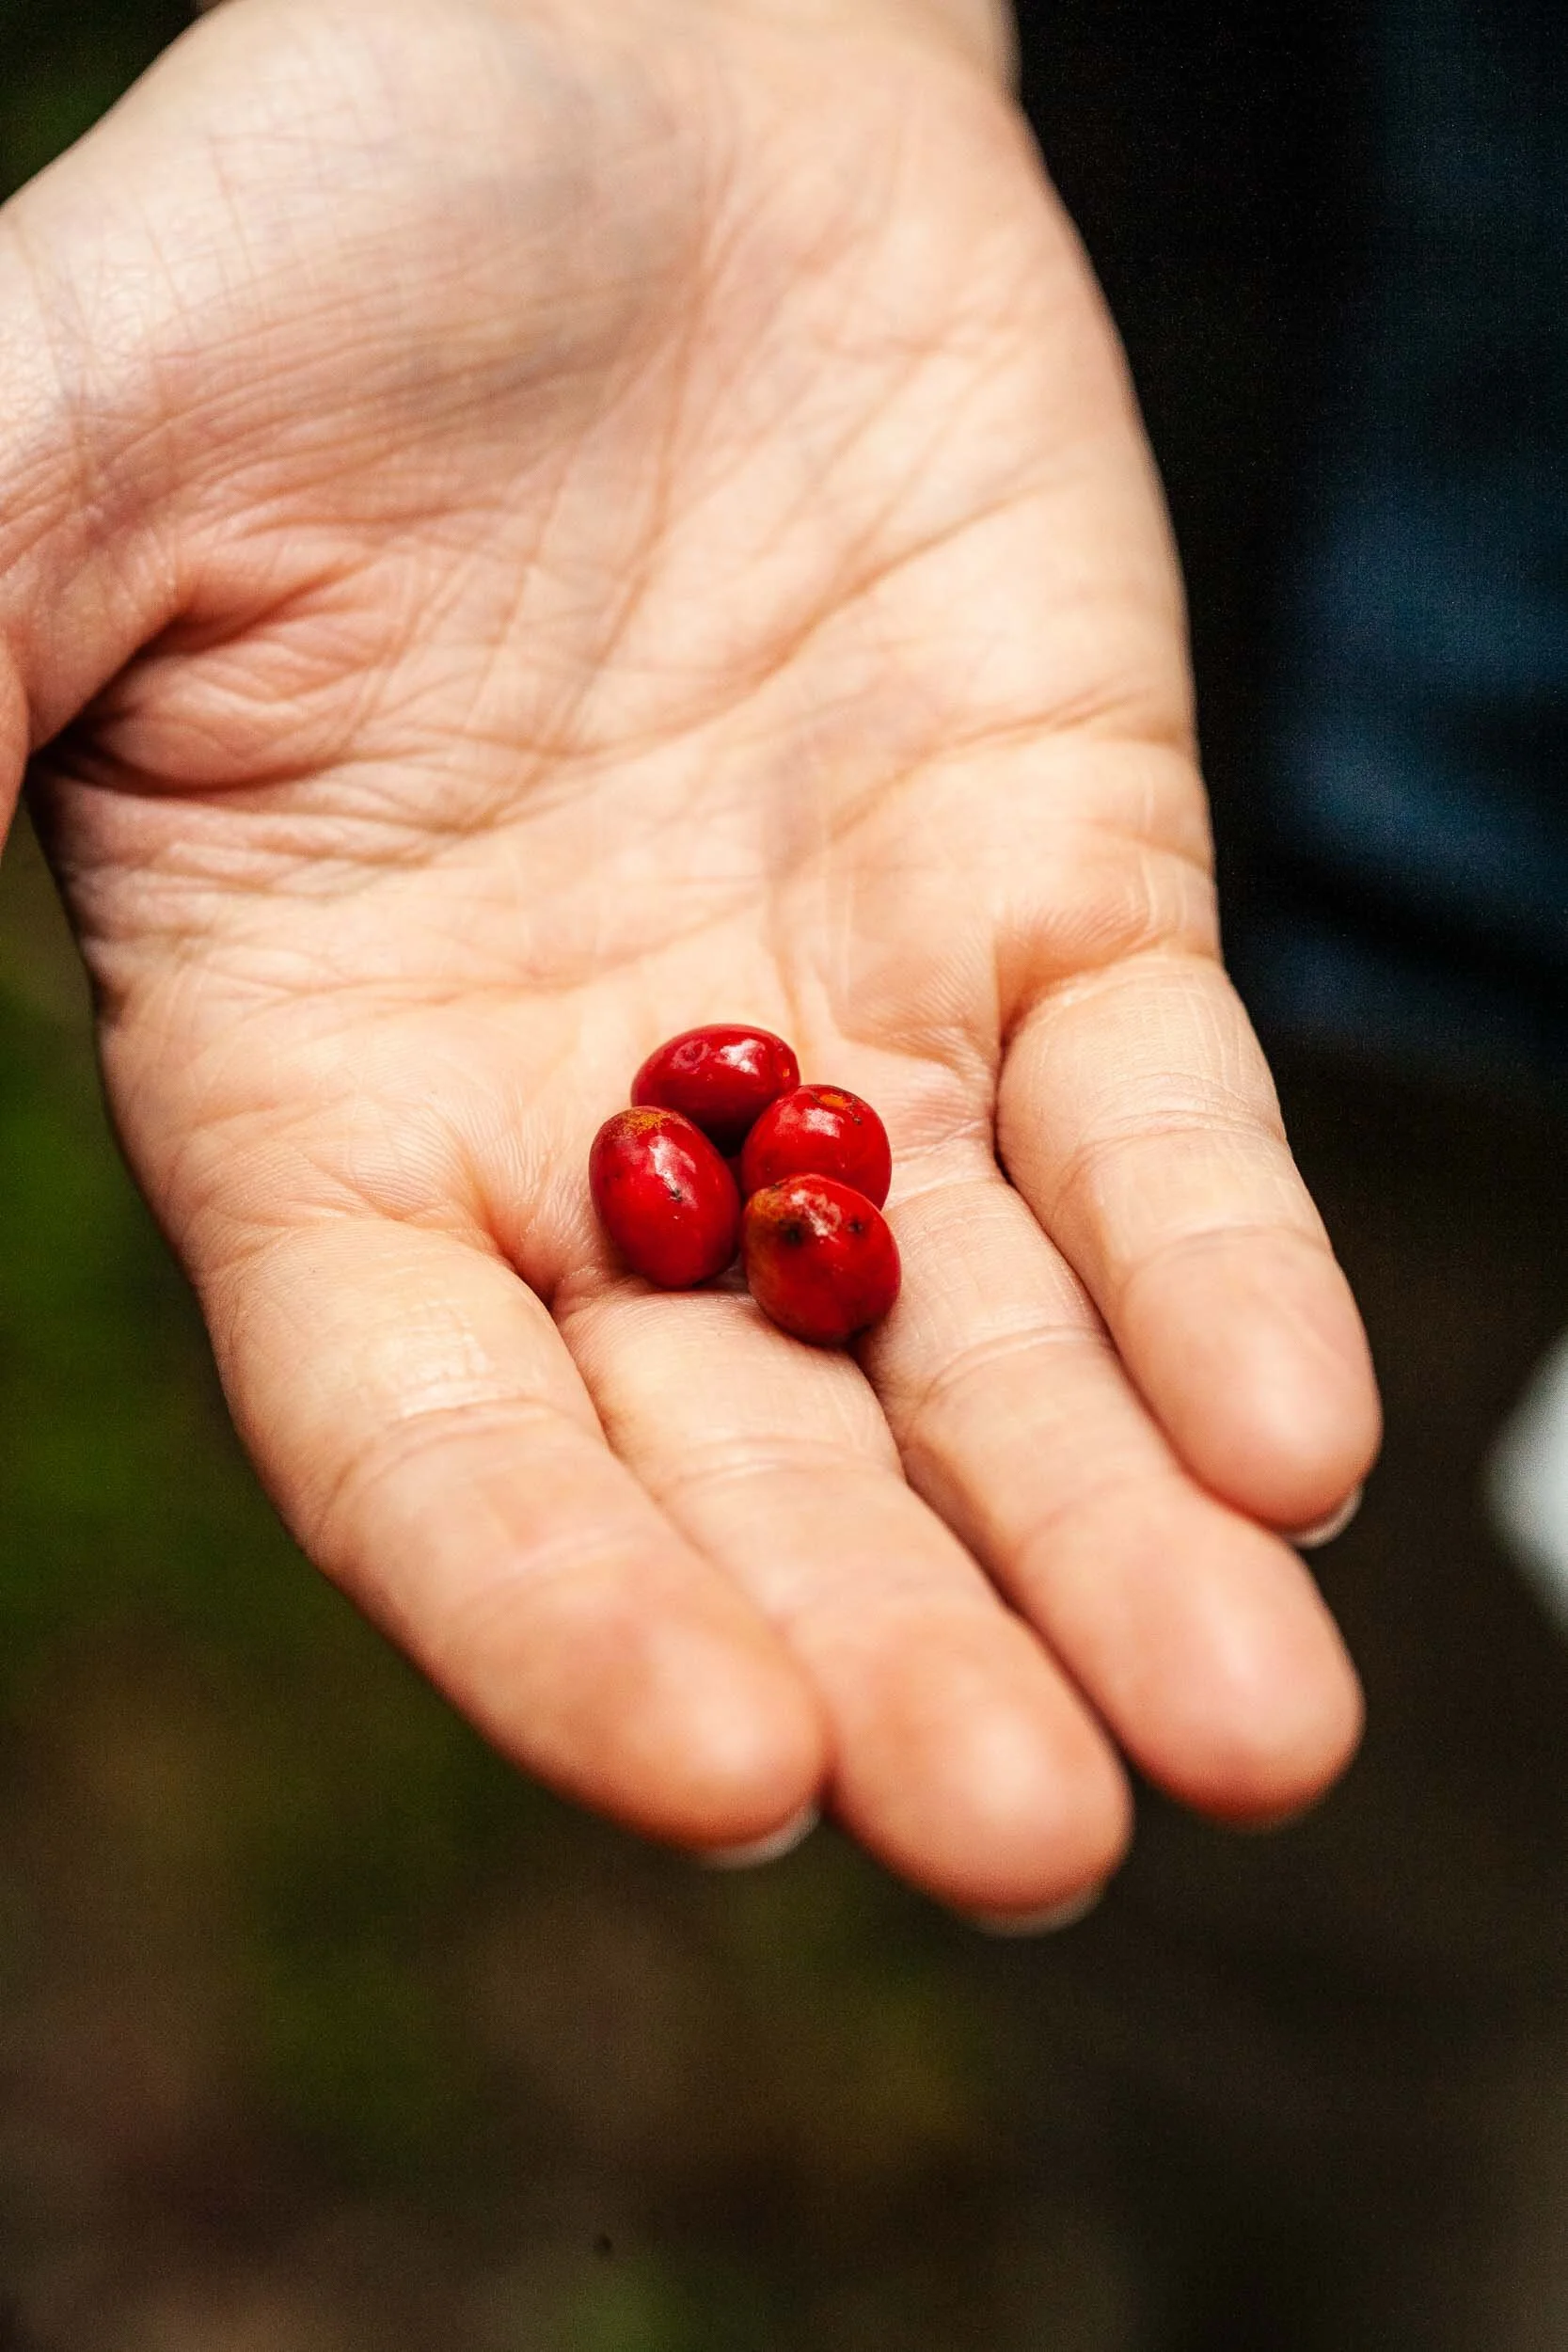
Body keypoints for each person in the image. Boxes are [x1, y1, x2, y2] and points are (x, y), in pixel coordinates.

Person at [0, 0, 1379, 1926]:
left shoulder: (789, 1185)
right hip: (1331, 739)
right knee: (1286, 1810)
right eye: (787, 1196)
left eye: (791, 1201)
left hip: (1313, 758)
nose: (790, 1196)